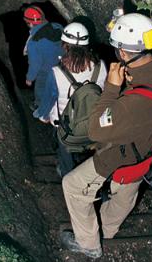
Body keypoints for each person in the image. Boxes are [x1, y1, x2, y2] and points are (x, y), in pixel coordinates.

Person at [60, 11, 152, 259]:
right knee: (125, 196)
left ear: (124, 53)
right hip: (150, 152)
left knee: (72, 185)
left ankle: (89, 244)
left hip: (123, 154)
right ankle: (108, 230)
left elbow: (95, 129)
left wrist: (112, 87)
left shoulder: (133, 102)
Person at [34, 22, 108, 176]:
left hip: (66, 129)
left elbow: (47, 103)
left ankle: (68, 177)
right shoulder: (101, 67)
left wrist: (42, 116)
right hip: (94, 124)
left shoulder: (55, 73)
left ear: (65, 45)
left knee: (65, 156)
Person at [23, 5, 63, 112]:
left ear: (30, 23)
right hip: (63, 66)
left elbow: (35, 64)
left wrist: (30, 78)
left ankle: (39, 106)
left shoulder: (34, 42)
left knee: (40, 86)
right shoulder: (57, 27)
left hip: (46, 71)